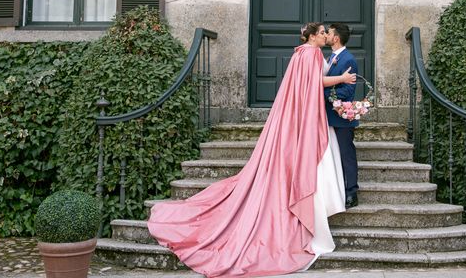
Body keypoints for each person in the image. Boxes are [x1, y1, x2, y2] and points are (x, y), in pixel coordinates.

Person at [147, 22, 355, 278]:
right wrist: (344, 78)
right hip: (307, 118)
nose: (326, 36)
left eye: (327, 33)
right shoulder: (312, 54)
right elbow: (315, 83)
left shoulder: (299, 52)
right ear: (313, 36)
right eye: (322, 32)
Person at [324, 23, 360, 209]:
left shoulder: (348, 60)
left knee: (347, 155)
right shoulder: (332, 58)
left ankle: (352, 192)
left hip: (341, 118)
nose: (326, 35)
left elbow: (347, 92)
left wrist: (320, 93)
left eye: (328, 33)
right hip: (328, 117)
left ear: (336, 38)